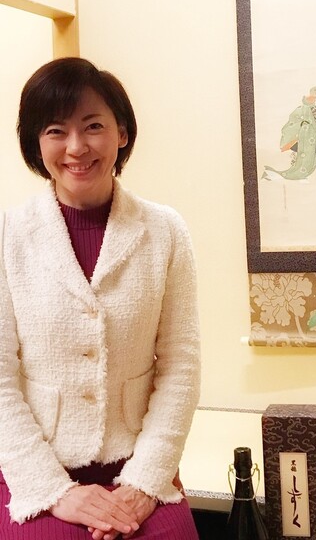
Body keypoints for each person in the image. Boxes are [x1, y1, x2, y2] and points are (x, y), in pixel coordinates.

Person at [0, 57, 201, 539]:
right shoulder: (8, 235)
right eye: (55, 130)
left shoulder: (165, 231)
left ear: (122, 133)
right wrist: (56, 491)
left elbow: (181, 366)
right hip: (38, 471)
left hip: (140, 465)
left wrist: (143, 483)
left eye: (93, 126)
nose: (76, 147)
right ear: (35, 143)